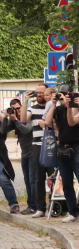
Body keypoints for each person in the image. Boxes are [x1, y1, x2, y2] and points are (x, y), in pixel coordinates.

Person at [43, 84, 79, 223]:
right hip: (62, 148)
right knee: (67, 183)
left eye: (66, 94)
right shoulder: (57, 108)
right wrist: (52, 104)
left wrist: (69, 106)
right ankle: (73, 212)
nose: (63, 96)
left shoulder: (76, 107)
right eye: (61, 94)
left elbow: (71, 122)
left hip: (76, 147)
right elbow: (47, 122)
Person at [19, 87, 49, 216]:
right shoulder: (33, 108)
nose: (39, 94)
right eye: (38, 92)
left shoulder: (54, 107)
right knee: (38, 178)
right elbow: (24, 119)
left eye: (42, 92)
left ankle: (58, 205)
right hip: (36, 145)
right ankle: (40, 207)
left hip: (50, 145)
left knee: (53, 177)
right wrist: (25, 101)